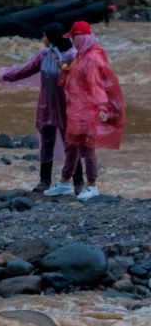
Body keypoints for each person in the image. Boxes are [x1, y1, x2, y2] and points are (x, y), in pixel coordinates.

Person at [0, 22, 82, 193]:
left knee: (71, 144)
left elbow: (86, 79)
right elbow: (25, 70)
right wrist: (1, 78)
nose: (43, 39)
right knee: (46, 142)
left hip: (68, 107)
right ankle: (44, 181)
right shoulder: (44, 55)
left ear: (54, 38)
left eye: (45, 36)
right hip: (46, 106)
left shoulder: (74, 56)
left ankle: (78, 182)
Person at [44, 21, 124, 200]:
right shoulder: (81, 56)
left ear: (81, 38)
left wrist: (102, 107)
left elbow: (96, 86)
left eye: (74, 37)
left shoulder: (92, 59)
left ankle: (92, 186)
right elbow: (72, 81)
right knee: (71, 148)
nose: (72, 40)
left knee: (88, 149)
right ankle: (64, 183)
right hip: (76, 110)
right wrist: (64, 69)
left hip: (88, 111)